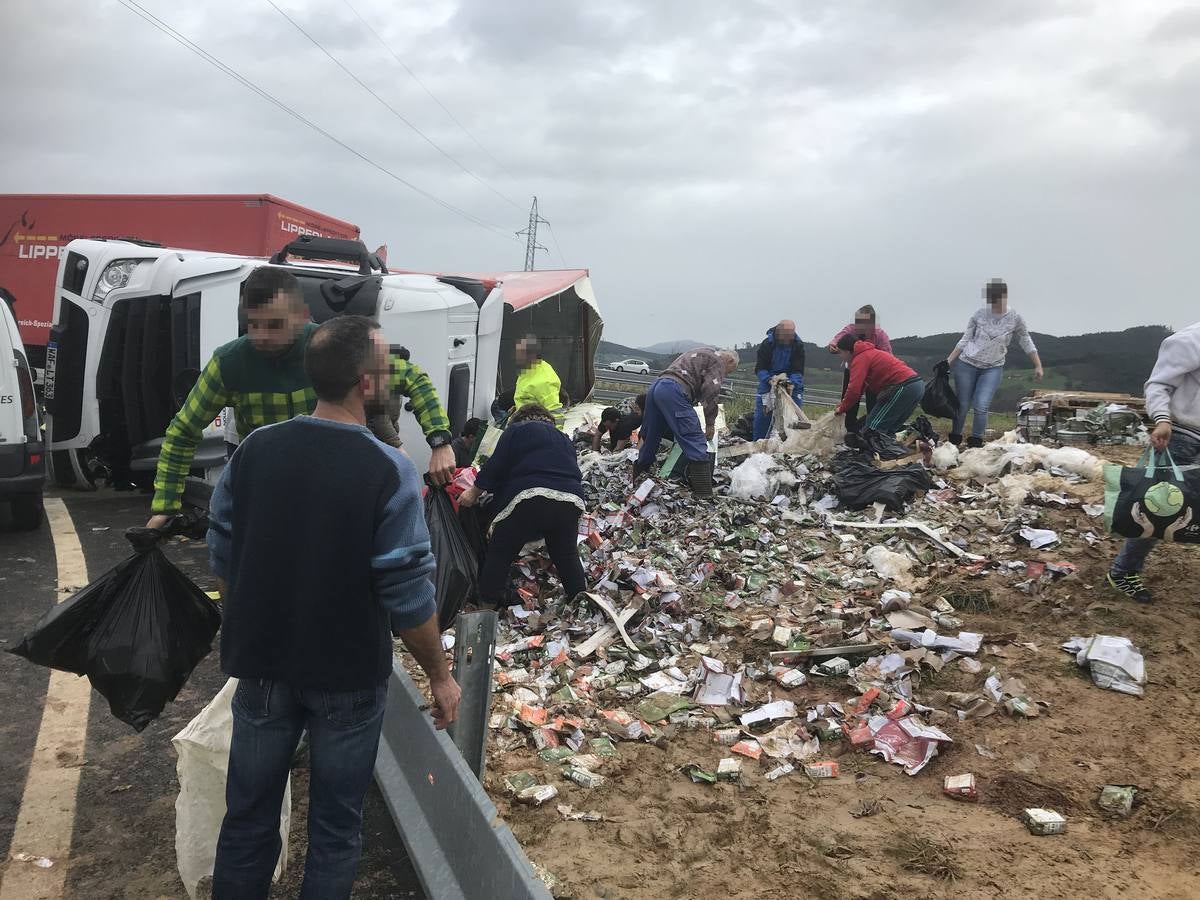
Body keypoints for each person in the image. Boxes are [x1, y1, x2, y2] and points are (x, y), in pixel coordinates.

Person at [206, 315, 460, 899]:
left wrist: (246, 618)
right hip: (347, 674)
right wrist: (441, 677)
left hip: (264, 665)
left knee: (246, 819)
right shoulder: (388, 469)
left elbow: (222, 551)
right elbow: (406, 594)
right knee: (335, 829)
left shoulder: (255, 451)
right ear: (366, 385)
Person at [146, 267, 455, 528]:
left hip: (329, 488)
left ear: (300, 316)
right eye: (253, 324)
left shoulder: (332, 348)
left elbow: (413, 378)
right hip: (267, 490)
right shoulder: (228, 363)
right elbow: (182, 431)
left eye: (275, 325)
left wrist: (440, 441)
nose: (261, 337)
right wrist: (165, 504)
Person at [1106, 321, 1200, 603]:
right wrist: (1162, 419)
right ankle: (1123, 572)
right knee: (1158, 508)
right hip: (1182, 435)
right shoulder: (1189, 340)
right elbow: (1158, 384)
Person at [458, 403, 587, 606]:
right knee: (567, 555)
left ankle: (485, 608)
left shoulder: (517, 430)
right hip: (571, 500)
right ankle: (581, 605)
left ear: (518, 419)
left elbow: (497, 465)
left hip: (530, 496)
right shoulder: (564, 439)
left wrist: (473, 493)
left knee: (501, 552)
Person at [946, 279, 1044, 448]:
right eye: (992, 300)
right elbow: (965, 339)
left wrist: (1038, 364)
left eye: (998, 300)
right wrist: (948, 361)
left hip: (992, 367)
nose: (995, 304)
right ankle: (954, 439)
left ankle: (976, 442)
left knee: (981, 405)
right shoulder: (979, 314)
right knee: (962, 404)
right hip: (967, 364)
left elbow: (1026, 341)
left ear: (1005, 296)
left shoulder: (1015, 318)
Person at [635, 348, 739, 496]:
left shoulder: (702, 352)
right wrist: (710, 422)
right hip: (674, 390)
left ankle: (637, 481)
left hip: (657, 386)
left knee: (651, 435)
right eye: (729, 371)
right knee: (694, 438)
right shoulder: (718, 361)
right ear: (730, 361)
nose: (725, 374)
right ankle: (704, 494)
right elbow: (711, 390)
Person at [834, 334, 925, 438]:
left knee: (872, 427)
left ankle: (872, 452)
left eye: (840, 353)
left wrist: (841, 409)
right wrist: (844, 404)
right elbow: (860, 388)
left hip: (903, 386)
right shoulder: (869, 353)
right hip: (916, 385)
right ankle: (888, 452)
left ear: (847, 351)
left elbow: (854, 390)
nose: (840, 357)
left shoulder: (860, 358)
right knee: (889, 429)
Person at [827, 305, 892, 433]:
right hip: (852, 370)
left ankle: (870, 431)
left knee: (873, 403)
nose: (860, 325)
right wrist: (833, 345)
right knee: (850, 399)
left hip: (873, 375)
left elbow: (888, 357)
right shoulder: (851, 329)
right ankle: (848, 431)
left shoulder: (880, 336)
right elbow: (839, 337)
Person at [753, 320, 805, 440]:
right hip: (769, 382)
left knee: (794, 416)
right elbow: (760, 368)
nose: (789, 338)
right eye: (786, 335)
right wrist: (769, 380)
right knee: (763, 416)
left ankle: (791, 444)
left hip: (791, 383)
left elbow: (798, 369)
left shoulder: (798, 345)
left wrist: (791, 382)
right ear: (779, 332)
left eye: (791, 334)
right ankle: (760, 443)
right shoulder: (767, 344)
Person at [513, 335, 564, 428]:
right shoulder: (528, 368)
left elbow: (555, 414)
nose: (517, 356)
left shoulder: (544, 381)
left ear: (532, 355)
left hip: (532, 428)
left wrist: (556, 437)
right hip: (521, 421)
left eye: (521, 353)